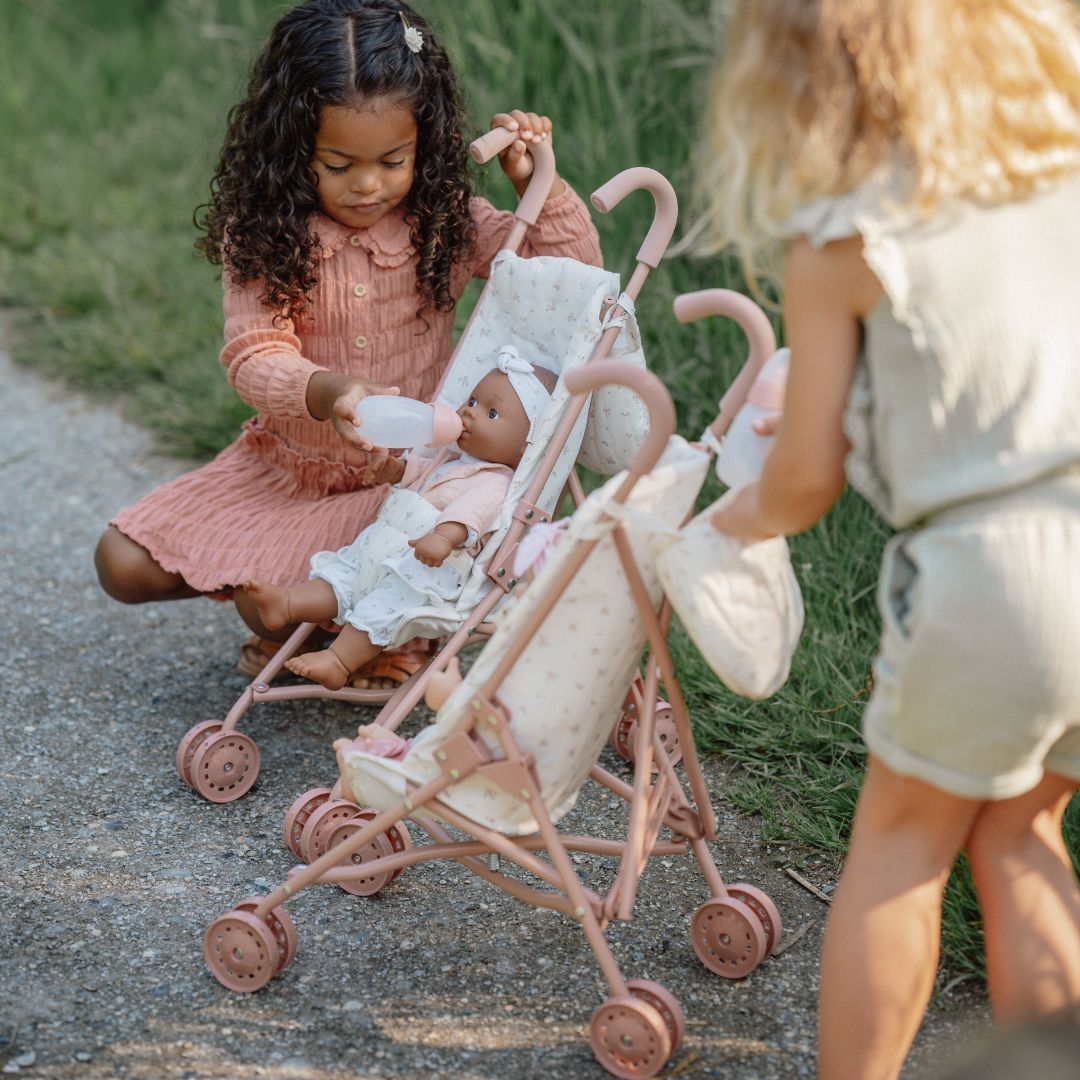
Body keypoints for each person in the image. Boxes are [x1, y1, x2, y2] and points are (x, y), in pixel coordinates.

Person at [695, 2, 1080, 1078]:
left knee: (905, 850)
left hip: (995, 577)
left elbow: (805, 478)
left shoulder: (847, 234)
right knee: (1021, 833)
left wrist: (733, 522)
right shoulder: (1059, 170)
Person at [93, 0, 601, 687]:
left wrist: (538, 184)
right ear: (291, 146)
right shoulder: (268, 231)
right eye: (338, 164)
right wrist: (328, 391)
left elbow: (575, 288)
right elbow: (254, 353)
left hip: (403, 484)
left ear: (425, 143)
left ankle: (355, 617)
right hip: (290, 470)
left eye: (394, 160)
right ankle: (339, 611)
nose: (369, 185)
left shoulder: (442, 222)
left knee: (267, 607)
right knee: (121, 563)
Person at [243, 349, 554, 691]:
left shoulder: (496, 483)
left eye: (491, 413)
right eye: (473, 400)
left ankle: (339, 661)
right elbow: (415, 474)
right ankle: (288, 604)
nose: (470, 412)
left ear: (527, 446)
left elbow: (469, 515)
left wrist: (444, 537)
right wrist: (394, 470)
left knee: (385, 606)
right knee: (344, 575)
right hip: (387, 543)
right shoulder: (449, 458)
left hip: (428, 569)